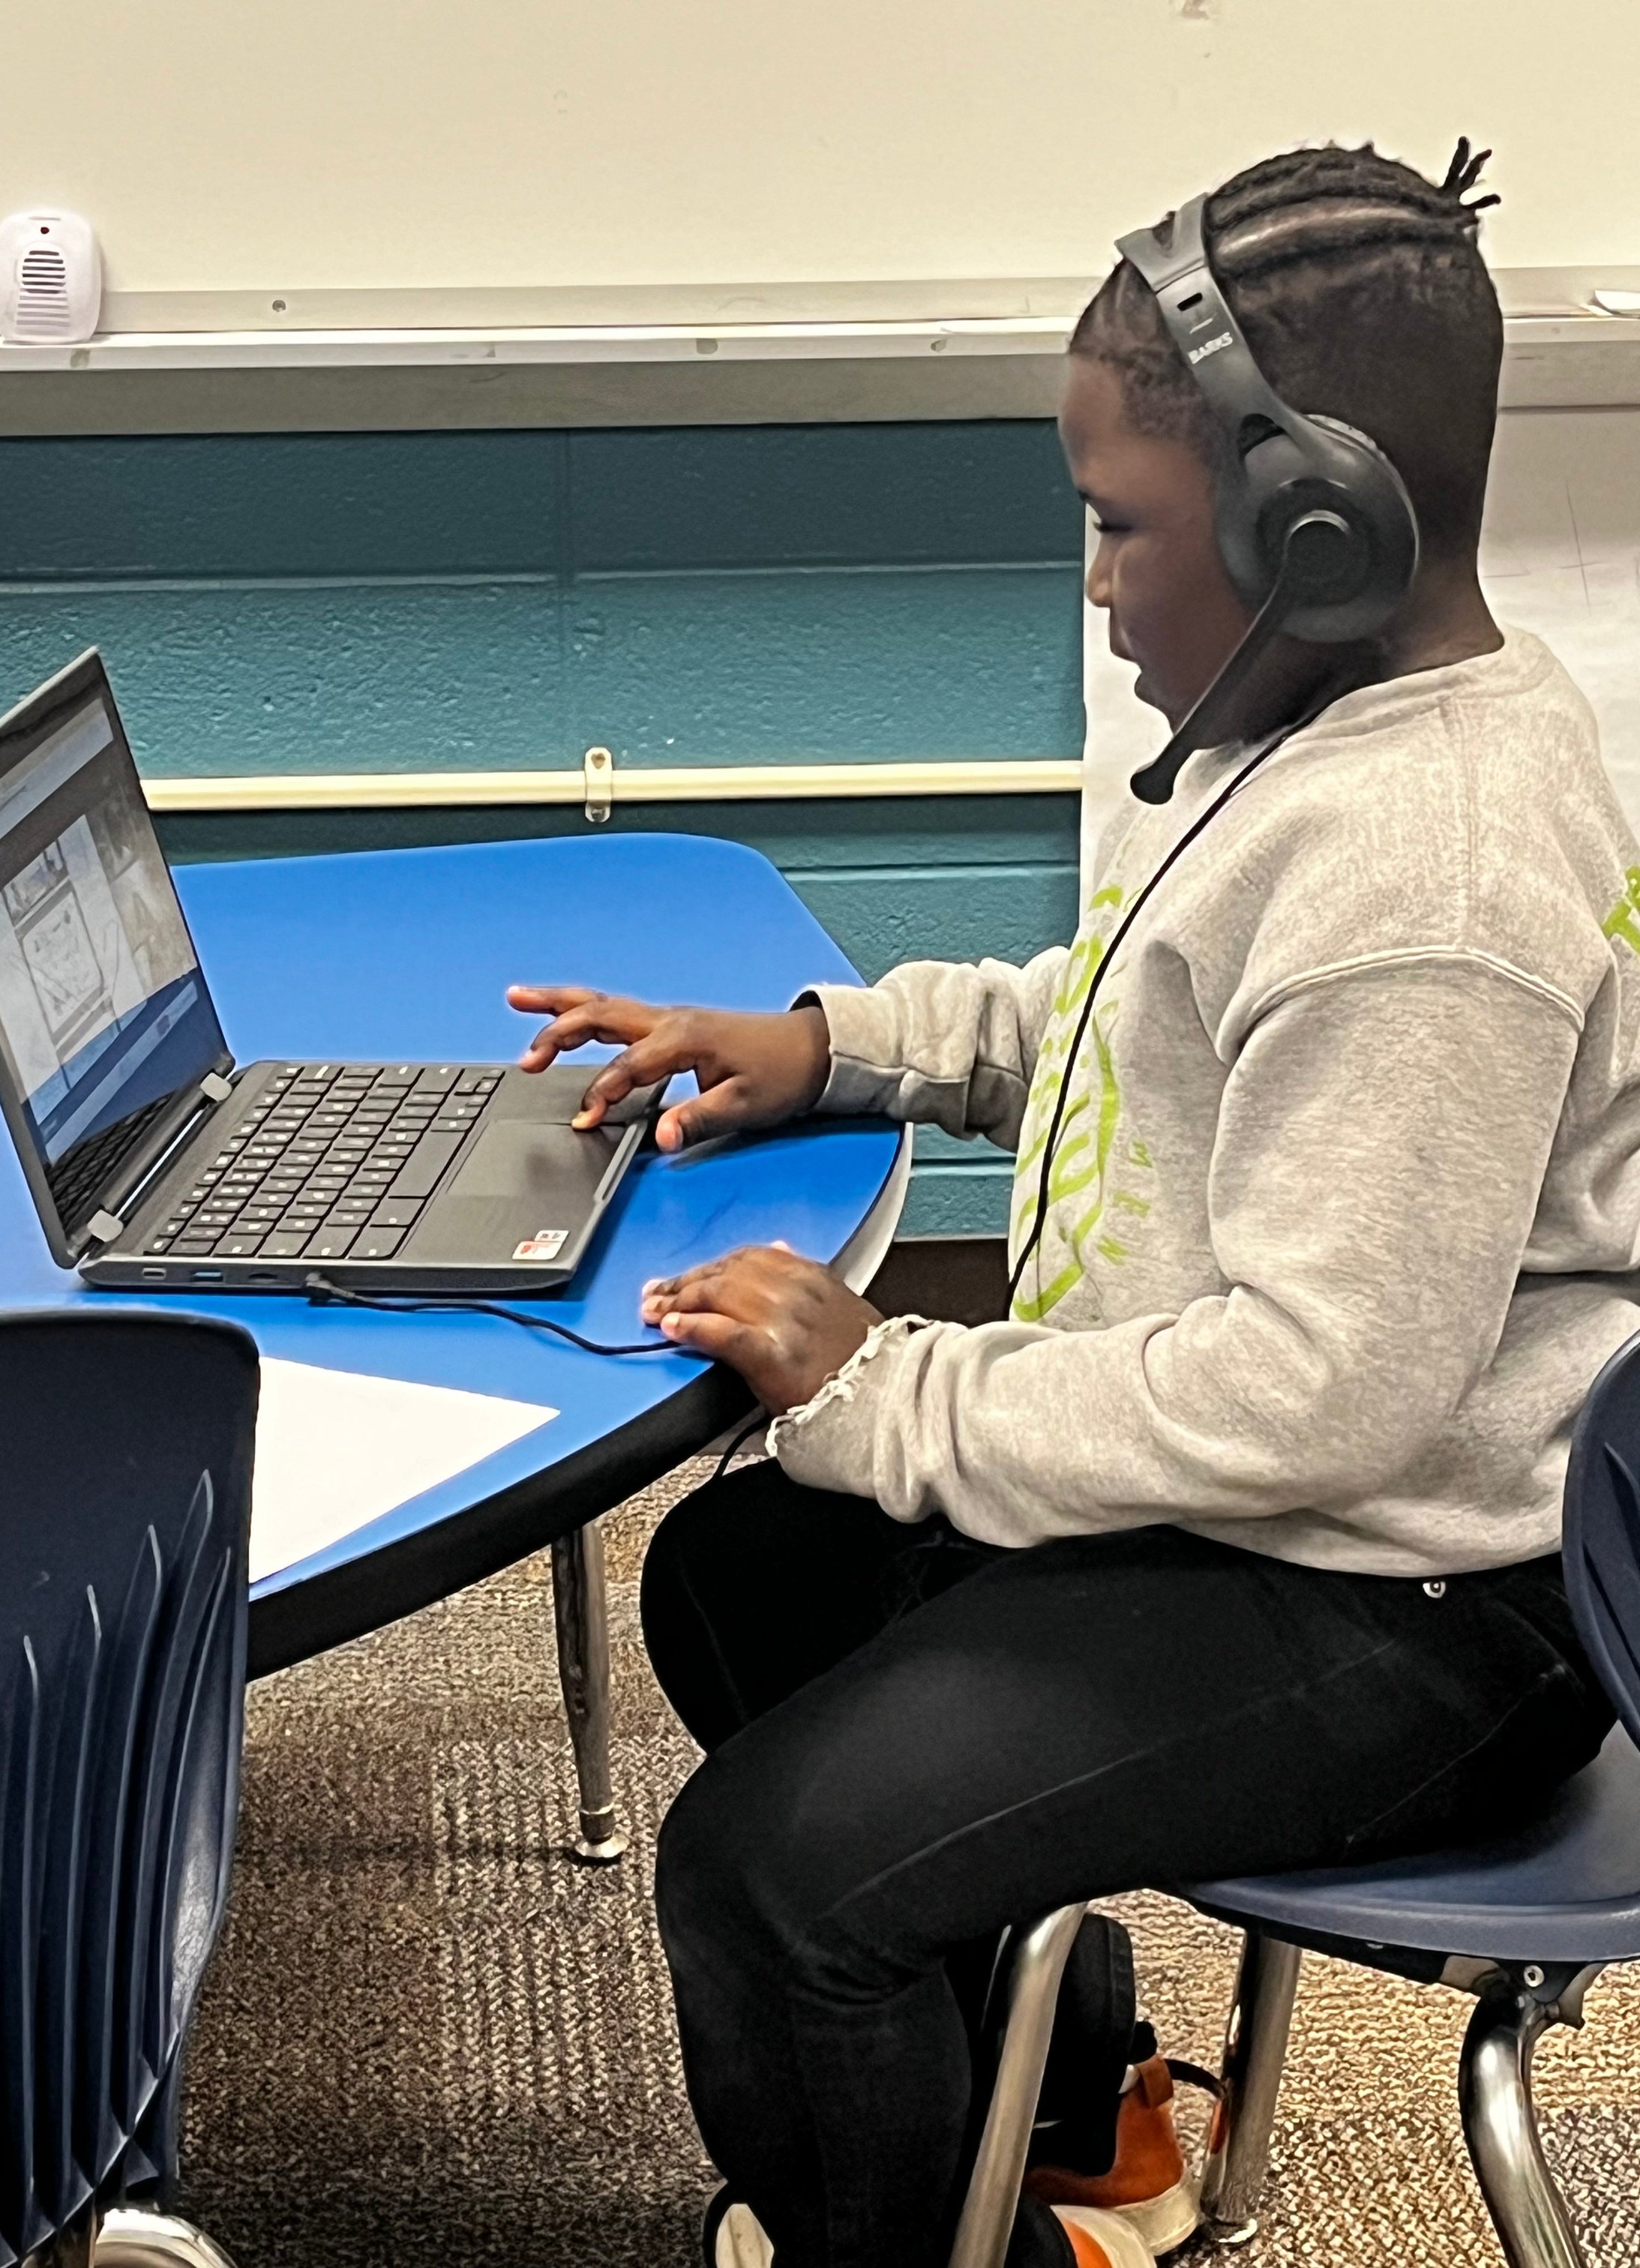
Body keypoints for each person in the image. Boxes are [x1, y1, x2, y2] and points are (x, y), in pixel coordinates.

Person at [510, 140, 1640, 2268]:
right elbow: (1142, 1021)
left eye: (1120, 524)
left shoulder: (1433, 868)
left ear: (1311, 523)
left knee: (772, 1877)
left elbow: (1322, 1398)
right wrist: (836, 1047)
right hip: (1295, 1520)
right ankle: (1069, 2108)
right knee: (750, 1573)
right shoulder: (1330, 741)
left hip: (1411, 1613)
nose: (1100, 580)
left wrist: (895, 1384)